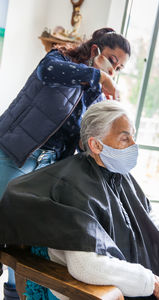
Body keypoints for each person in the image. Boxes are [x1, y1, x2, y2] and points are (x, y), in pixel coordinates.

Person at [0, 101, 159, 300]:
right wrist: (151, 282)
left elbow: (144, 210)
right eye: (125, 138)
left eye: (133, 137)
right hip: (92, 289)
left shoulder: (118, 173)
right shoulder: (73, 186)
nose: (134, 145)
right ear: (96, 144)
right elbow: (86, 266)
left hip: (129, 274)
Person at [0, 27, 130, 299]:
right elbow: (48, 74)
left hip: (47, 168)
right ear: (95, 50)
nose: (113, 70)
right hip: (15, 153)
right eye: (111, 60)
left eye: (119, 68)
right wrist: (100, 76)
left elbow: (83, 138)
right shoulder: (57, 60)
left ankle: (13, 292)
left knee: (23, 233)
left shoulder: (93, 94)